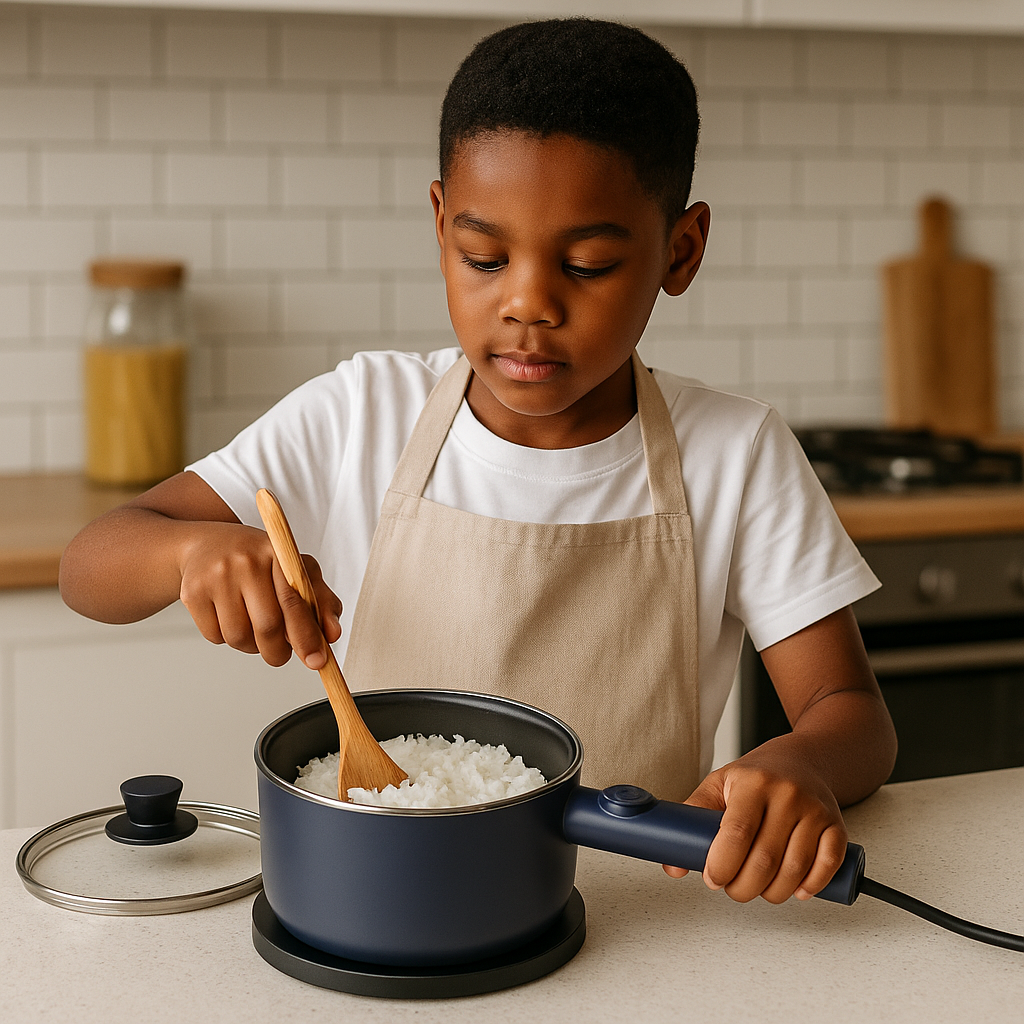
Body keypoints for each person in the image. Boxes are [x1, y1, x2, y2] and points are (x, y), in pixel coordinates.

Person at [59, 18, 896, 906]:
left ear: (679, 252)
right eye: (484, 257)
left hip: (639, 919)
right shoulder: (358, 414)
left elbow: (854, 717)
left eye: (589, 263)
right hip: (389, 895)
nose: (528, 304)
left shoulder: (737, 452)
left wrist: (797, 764)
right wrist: (187, 554)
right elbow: (91, 565)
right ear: (439, 225)